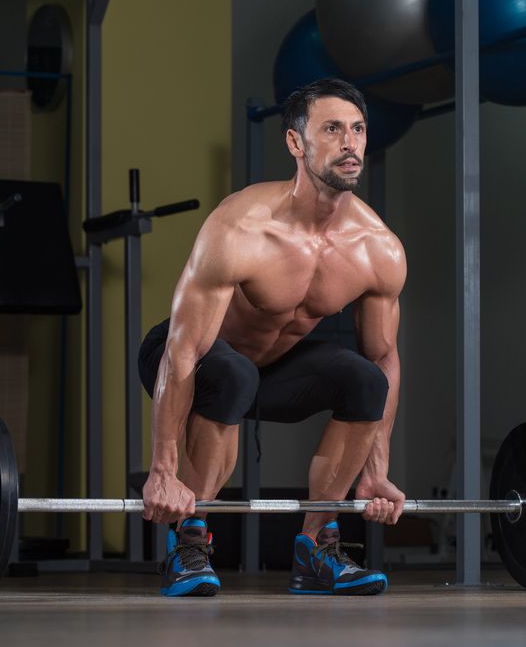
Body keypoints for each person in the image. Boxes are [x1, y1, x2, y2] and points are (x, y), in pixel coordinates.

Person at [138, 77, 406, 597]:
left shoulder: (379, 249)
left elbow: (386, 357)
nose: (350, 143)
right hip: (183, 355)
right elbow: (185, 348)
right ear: (295, 143)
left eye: (358, 129)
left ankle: (315, 547)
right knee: (232, 372)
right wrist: (162, 470)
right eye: (332, 129)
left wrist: (377, 469)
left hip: (272, 371)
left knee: (365, 379)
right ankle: (189, 543)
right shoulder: (242, 226)